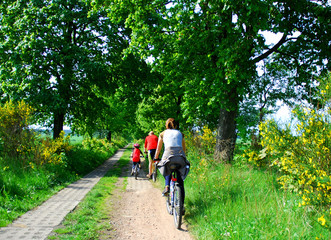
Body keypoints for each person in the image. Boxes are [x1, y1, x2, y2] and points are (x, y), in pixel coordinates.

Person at [154, 118, 190, 202]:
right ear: (176, 125)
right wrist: (184, 157)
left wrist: (156, 158)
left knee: (166, 167)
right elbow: (184, 149)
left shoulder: (162, 134)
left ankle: (167, 186)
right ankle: (182, 206)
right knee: (180, 182)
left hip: (168, 155)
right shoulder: (180, 133)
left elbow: (158, 149)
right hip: (180, 156)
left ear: (166, 125)